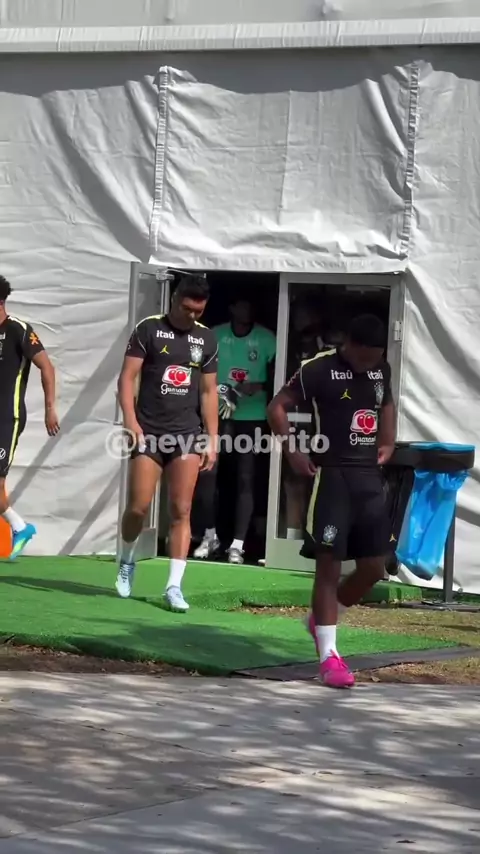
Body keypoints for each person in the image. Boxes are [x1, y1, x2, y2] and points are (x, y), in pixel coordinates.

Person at [267, 314, 395, 689]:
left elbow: (386, 402)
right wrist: (292, 451)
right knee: (329, 566)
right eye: (364, 358)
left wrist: (388, 440)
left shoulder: (381, 368)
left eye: (375, 359)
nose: (369, 365)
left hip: (369, 478)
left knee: (374, 568)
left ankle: (323, 618)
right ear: (349, 345)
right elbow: (276, 407)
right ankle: (329, 657)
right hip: (332, 477)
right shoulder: (318, 368)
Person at [116, 274, 218, 612]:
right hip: (148, 431)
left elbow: (208, 392)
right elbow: (127, 378)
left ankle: (174, 586)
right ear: (174, 300)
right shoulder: (148, 328)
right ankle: (127, 559)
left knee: (181, 509)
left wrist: (212, 438)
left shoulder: (206, 338)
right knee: (138, 507)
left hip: (186, 433)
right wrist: (130, 422)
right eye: (187, 309)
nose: (192, 316)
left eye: (199, 311)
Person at [194, 297, 276, 564]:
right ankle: (209, 536)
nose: (247, 309)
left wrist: (258, 386)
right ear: (231, 308)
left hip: (251, 417)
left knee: (245, 478)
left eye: (250, 305)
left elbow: (281, 376)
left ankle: (237, 545)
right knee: (208, 474)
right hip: (216, 415)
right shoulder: (214, 335)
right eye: (241, 305)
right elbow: (197, 372)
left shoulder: (267, 339)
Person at [0, 275, 59, 558]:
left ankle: (19, 527)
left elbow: (47, 367)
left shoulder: (18, 330)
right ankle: (20, 527)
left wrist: (50, 408)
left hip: (6, 418)